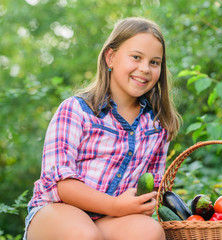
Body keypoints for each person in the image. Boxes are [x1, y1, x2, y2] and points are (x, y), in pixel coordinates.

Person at [24, 17, 181, 240]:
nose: (145, 69)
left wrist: (145, 203)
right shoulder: (76, 111)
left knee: (150, 232)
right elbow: (62, 186)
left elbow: (151, 189)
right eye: (136, 57)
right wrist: (116, 205)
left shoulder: (157, 126)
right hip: (57, 212)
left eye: (154, 62)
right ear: (111, 57)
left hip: (110, 220)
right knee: (83, 234)